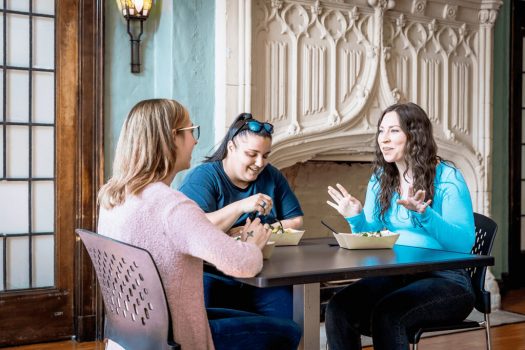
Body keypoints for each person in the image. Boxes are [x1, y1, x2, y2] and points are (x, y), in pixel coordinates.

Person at [97, 99, 301, 350]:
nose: (195, 140)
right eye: (191, 130)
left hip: (135, 335)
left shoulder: (113, 196)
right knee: (289, 332)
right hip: (180, 337)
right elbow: (244, 264)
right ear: (172, 138)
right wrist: (253, 243)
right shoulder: (173, 207)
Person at [324, 102, 476, 350]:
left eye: (393, 131)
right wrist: (356, 218)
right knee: (339, 307)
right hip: (395, 277)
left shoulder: (448, 177)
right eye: (381, 131)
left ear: (415, 135)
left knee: (389, 314)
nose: (384, 139)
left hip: (448, 280)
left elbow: (463, 245)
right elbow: (372, 237)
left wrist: (424, 215)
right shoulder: (381, 179)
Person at [179, 112, 304, 320]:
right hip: (214, 275)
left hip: (262, 274)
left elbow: (296, 221)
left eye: (265, 155)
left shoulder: (271, 175)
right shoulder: (204, 177)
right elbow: (194, 231)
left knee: (290, 313)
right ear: (231, 148)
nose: (260, 162)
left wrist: (260, 232)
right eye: (251, 154)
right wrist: (240, 206)